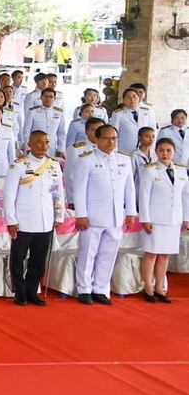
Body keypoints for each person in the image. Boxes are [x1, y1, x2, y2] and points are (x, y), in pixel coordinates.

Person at [69, 124, 136, 305]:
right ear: (97, 139)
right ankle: (84, 288)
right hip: (92, 216)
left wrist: (131, 212)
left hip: (116, 216)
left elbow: (129, 189)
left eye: (114, 138)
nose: (110, 142)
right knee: (88, 253)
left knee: (108, 253)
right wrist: (81, 214)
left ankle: (100, 288)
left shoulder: (124, 160)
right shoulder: (86, 160)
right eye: (106, 138)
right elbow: (79, 189)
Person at [4, 129, 63, 306]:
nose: (43, 145)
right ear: (29, 144)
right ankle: (19, 292)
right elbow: (9, 195)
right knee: (18, 259)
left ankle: (32, 291)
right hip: (23, 221)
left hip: (45, 221)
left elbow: (58, 193)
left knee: (38, 261)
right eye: (38, 142)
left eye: (46, 142)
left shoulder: (54, 165)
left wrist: (59, 216)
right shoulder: (19, 165)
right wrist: (11, 220)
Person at [135, 136, 186, 303]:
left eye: (168, 150)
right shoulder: (149, 170)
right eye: (161, 150)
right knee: (151, 254)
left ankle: (159, 289)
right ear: (156, 152)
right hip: (155, 219)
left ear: (174, 152)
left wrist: (185, 218)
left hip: (173, 219)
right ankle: (148, 287)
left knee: (164, 255)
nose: (165, 154)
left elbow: (184, 196)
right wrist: (145, 219)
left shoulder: (180, 171)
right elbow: (143, 196)